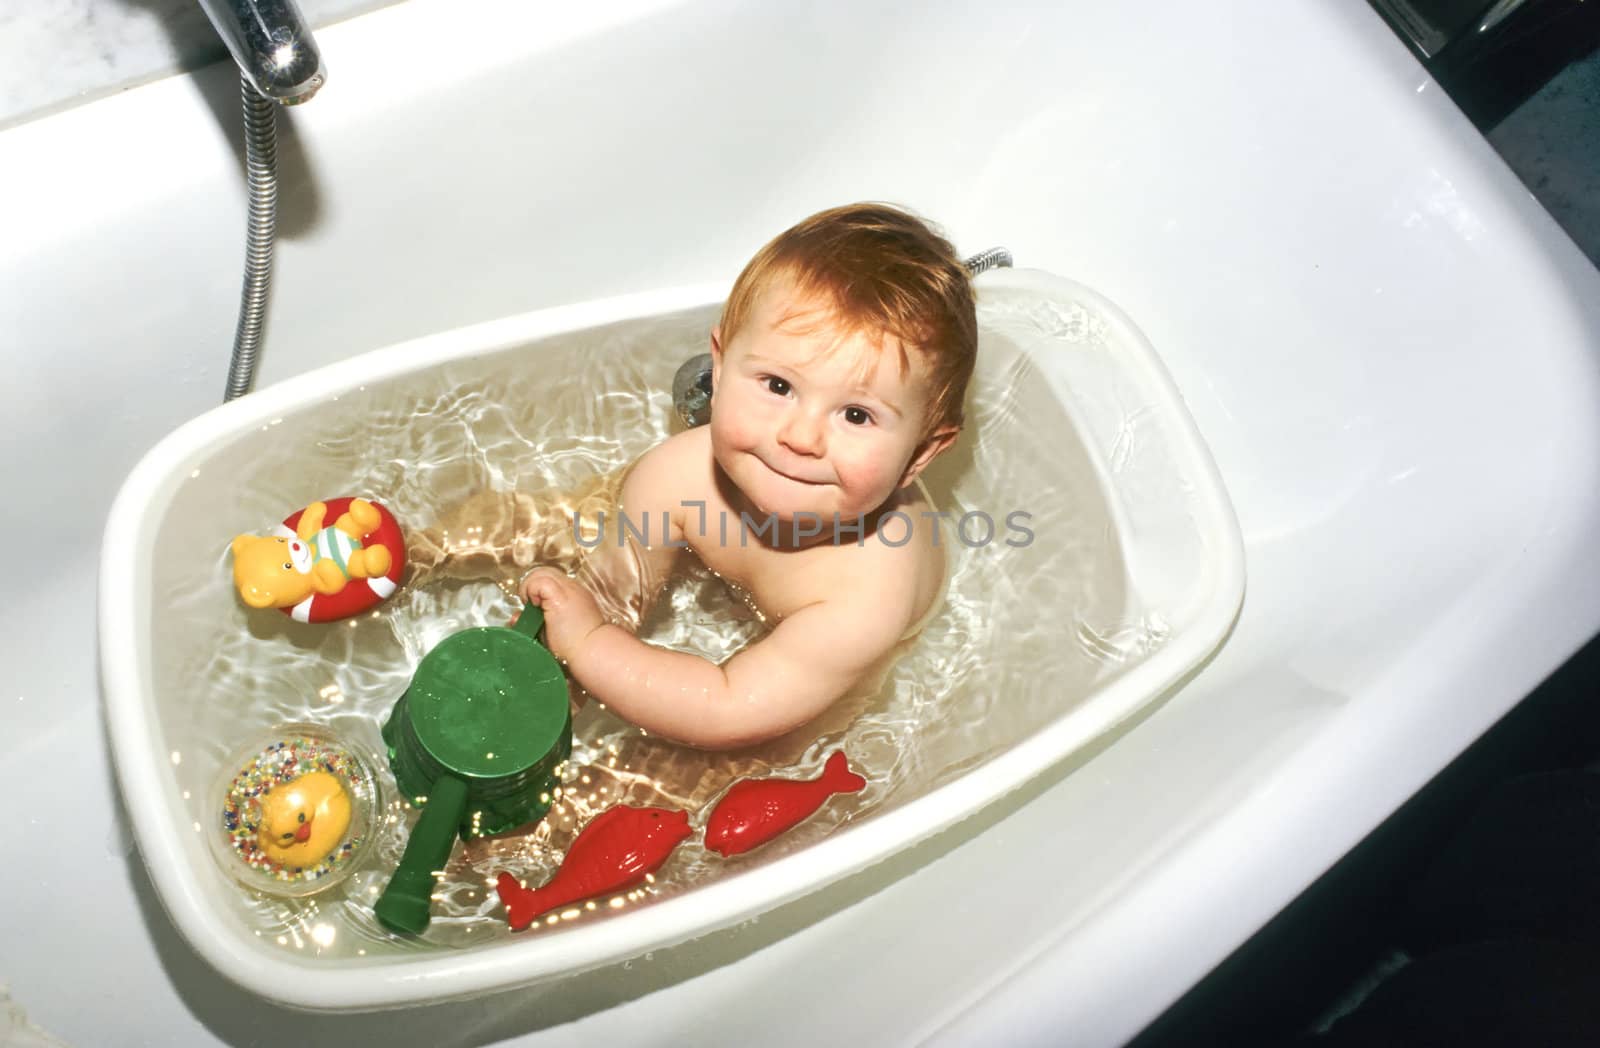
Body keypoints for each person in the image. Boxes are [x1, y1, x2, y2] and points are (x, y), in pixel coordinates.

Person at [417, 203, 977, 750]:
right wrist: (579, 624)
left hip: (827, 679)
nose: (801, 437)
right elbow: (619, 583)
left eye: (856, 415)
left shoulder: (865, 600)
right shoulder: (681, 477)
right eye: (778, 385)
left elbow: (729, 707)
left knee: (750, 767)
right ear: (721, 362)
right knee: (564, 515)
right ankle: (421, 551)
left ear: (922, 454)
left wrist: (589, 645)